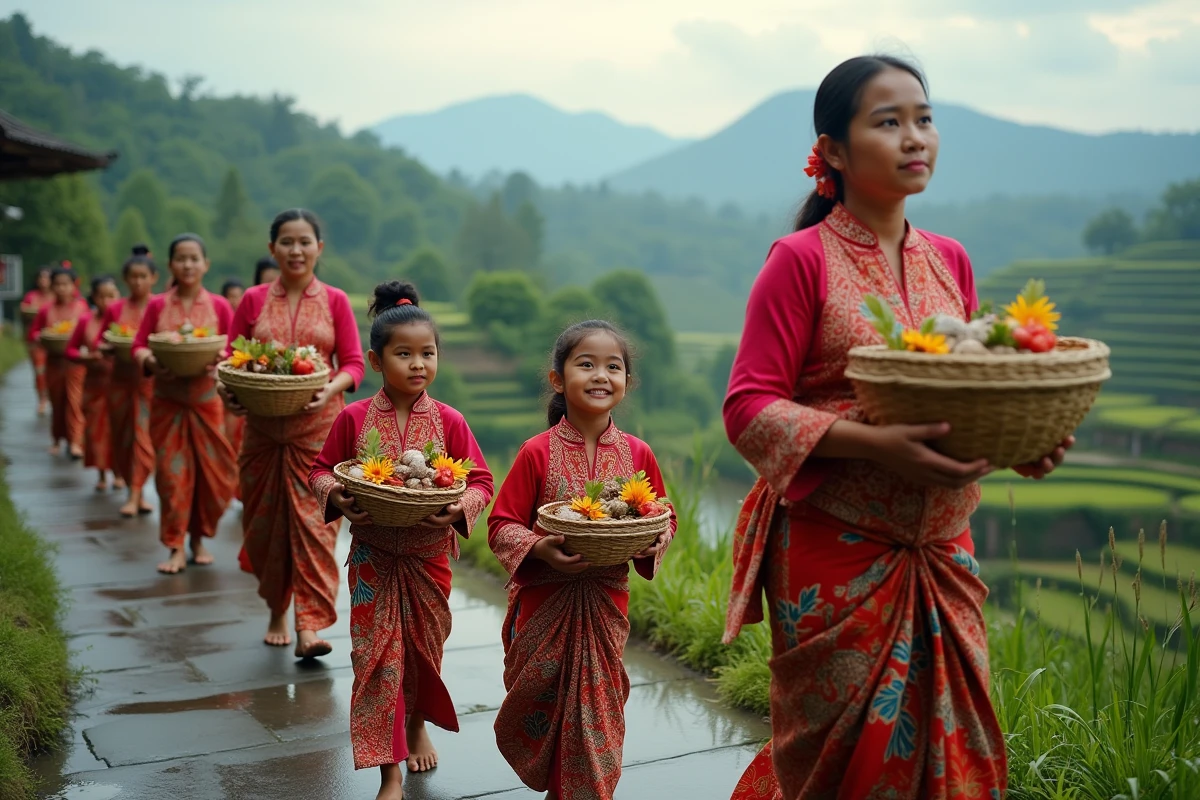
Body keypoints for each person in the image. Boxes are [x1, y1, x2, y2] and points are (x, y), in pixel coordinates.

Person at [722, 56, 1071, 799]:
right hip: (835, 552)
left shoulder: (950, 260)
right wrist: (874, 443)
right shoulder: (799, 261)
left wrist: (1019, 445)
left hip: (945, 549)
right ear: (835, 152)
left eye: (924, 117)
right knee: (847, 767)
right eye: (889, 122)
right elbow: (748, 406)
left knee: (949, 763)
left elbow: (965, 393)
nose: (916, 137)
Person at [310, 280, 493, 800]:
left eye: (428, 353)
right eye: (404, 354)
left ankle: (416, 723)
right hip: (372, 558)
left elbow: (481, 481)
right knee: (375, 663)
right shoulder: (352, 418)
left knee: (421, 654)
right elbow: (321, 471)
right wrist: (337, 498)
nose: (418, 364)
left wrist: (460, 508)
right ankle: (389, 772)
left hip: (429, 558)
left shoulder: (450, 420)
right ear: (375, 360)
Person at [487, 320, 675, 799]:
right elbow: (502, 524)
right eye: (585, 364)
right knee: (548, 709)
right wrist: (539, 548)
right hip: (543, 607)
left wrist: (656, 541)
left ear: (626, 383)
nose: (600, 375)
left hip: (605, 604)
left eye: (613, 366)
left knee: (596, 717)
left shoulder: (639, 454)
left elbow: (662, 515)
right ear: (557, 379)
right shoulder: (536, 453)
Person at [222, 209, 366, 657]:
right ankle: (276, 609)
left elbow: (354, 365)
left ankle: (309, 625)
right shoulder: (252, 300)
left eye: (305, 241)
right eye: (287, 241)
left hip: (319, 434)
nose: (296, 250)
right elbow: (229, 360)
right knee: (264, 528)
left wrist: (328, 390)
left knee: (315, 528)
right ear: (272, 249)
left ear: (319, 249)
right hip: (262, 430)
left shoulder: (336, 300)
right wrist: (229, 393)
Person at [132, 234, 235, 575]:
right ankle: (176, 545)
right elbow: (139, 346)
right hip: (168, 402)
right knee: (172, 477)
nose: (188, 265)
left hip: (207, 403)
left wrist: (219, 359)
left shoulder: (219, 306)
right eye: (181, 259)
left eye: (194, 259)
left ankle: (198, 539)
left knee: (213, 478)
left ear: (205, 264)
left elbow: (233, 351)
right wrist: (150, 362)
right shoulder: (158, 305)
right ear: (170, 265)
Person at [101, 252, 159, 517]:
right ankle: (131, 490)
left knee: (143, 438)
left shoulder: (159, 306)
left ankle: (137, 492)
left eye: (143, 277)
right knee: (123, 437)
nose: (137, 282)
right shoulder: (115, 309)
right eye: (133, 277)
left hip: (148, 383)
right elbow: (103, 341)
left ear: (153, 278)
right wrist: (109, 347)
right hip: (120, 381)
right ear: (125, 279)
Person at [66, 275, 121, 491]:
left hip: (119, 383)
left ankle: (119, 472)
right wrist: (86, 358)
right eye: (101, 296)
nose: (107, 301)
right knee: (97, 430)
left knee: (118, 430)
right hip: (94, 384)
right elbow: (70, 350)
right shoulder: (85, 321)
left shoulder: (123, 320)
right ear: (94, 297)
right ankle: (101, 474)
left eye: (111, 296)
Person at [31, 264, 88, 458]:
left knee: (75, 402)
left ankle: (75, 442)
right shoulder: (46, 310)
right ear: (52, 286)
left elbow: (89, 332)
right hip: (54, 362)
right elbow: (35, 332)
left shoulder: (82, 308)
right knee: (57, 402)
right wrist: (41, 337)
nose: (62, 288)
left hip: (75, 364)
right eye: (58, 284)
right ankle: (57, 439)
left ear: (74, 286)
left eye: (66, 284)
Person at [21, 266, 55, 416]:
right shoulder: (31, 296)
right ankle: (42, 399)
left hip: (55, 340)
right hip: (36, 340)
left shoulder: (56, 296)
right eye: (41, 278)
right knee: (40, 370)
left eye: (46, 278)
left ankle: (54, 398)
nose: (43, 281)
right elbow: (24, 312)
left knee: (54, 371)